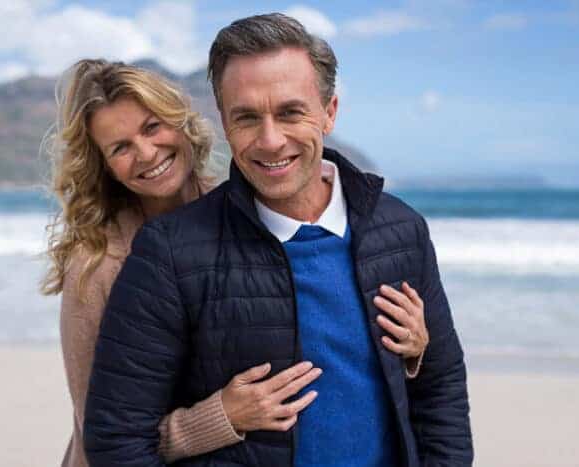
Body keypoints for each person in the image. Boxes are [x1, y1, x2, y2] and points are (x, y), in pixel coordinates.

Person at [42, 59, 429, 467]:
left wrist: (411, 350)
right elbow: (103, 431)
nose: (146, 152)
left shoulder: (246, 214)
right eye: (120, 147)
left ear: (181, 121)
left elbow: (307, 339)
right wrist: (220, 416)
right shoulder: (99, 265)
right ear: (104, 165)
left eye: (153, 127)